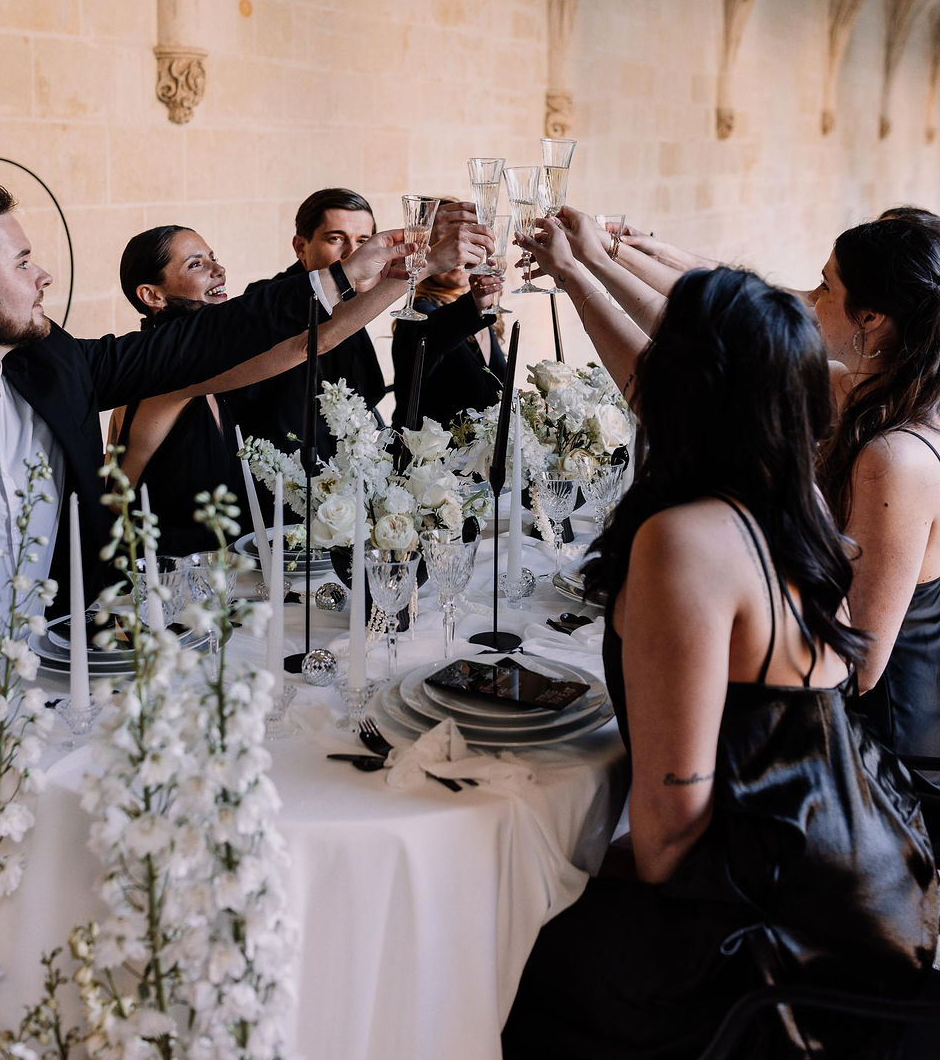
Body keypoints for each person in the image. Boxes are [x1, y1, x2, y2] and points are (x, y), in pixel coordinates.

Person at [0, 180, 413, 1036]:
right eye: (23, 260)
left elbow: (204, 344)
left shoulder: (52, 369)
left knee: (59, 903)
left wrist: (343, 282)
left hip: (58, 698)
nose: (41, 277)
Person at [501, 244, 937, 1059]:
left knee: (512, 946)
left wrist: (569, 866)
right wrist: (581, 265)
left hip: (790, 939)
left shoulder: (687, 540)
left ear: (682, 386)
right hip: (875, 880)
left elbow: (670, 834)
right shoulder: (794, 499)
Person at [111, 224, 435, 554]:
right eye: (196, 264)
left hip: (224, 573)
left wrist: (416, 268)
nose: (219, 270)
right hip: (165, 583)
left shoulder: (202, 364)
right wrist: (422, 268)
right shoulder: (167, 375)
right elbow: (313, 343)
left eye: (213, 258)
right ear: (152, 295)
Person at [810, 216, 940, 830]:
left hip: (895, 768)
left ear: (871, 317)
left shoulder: (898, 456)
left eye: (825, 286)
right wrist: (595, 264)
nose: (810, 300)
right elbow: (727, 324)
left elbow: (860, 665)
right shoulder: (890, 396)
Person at [229, 188, 490, 457]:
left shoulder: (352, 299)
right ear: (300, 247)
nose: (352, 253)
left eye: (363, 240)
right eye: (335, 239)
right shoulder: (269, 299)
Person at [391, 197, 506, 429]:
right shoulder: (418, 311)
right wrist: (473, 304)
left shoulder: (482, 311)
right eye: (446, 244)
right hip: (431, 462)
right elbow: (431, 333)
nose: (457, 254)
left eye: (463, 243)